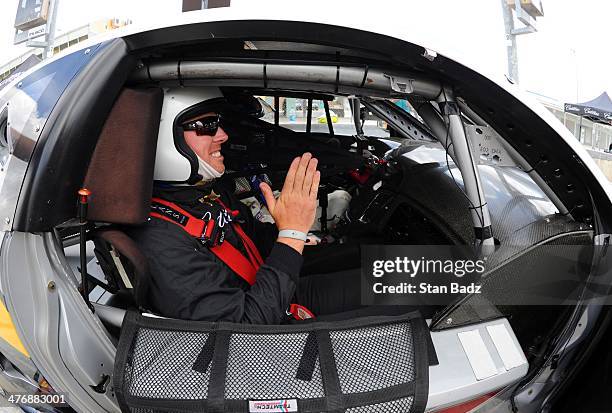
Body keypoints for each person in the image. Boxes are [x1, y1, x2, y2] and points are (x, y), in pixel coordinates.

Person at [129, 87, 417, 324]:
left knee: (410, 270)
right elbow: (244, 331)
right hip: (271, 325)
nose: (223, 136)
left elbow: (256, 240)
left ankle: (459, 266)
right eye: (207, 126)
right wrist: (292, 233)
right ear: (163, 138)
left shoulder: (198, 196)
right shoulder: (159, 241)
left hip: (275, 291)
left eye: (218, 124)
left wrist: (292, 229)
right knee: (416, 299)